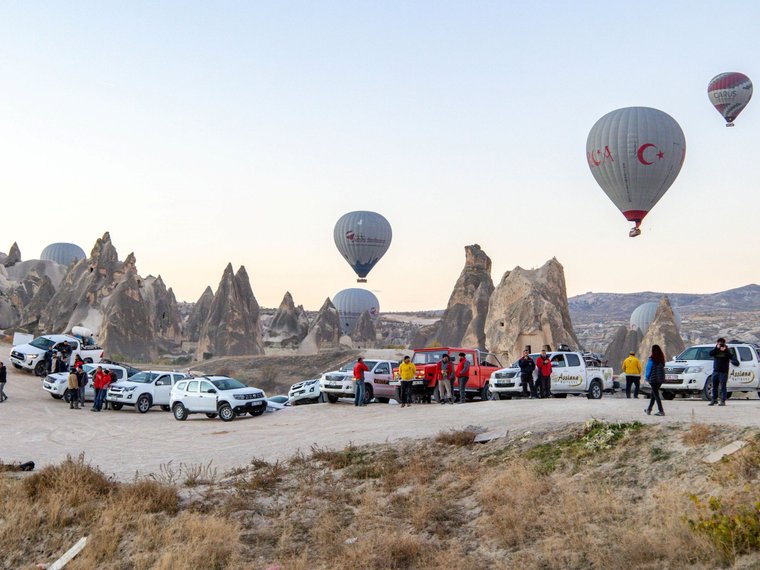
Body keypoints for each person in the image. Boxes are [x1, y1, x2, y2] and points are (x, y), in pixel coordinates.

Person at [709, 338, 736, 406]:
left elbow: (731, 357)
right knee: (714, 386)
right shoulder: (715, 350)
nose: (720, 344)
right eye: (719, 343)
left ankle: (723, 400)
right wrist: (716, 348)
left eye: (721, 343)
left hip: (723, 372)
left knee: (723, 386)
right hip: (715, 371)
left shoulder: (727, 350)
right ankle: (714, 400)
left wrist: (725, 351)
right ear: (717, 343)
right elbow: (710, 354)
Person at [645, 344, 666, 416]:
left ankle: (661, 411)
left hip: (653, 379)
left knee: (656, 395)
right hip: (660, 380)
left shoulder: (651, 359)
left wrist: (647, 377)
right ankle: (649, 409)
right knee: (653, 394)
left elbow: (648, 369)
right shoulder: (662, 359)